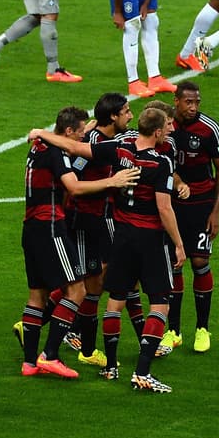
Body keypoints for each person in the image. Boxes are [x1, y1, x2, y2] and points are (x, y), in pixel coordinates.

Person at [19, 107, 139, 379]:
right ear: (69, 132)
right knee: (77, 291)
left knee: (37, 295)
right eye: (81, 131)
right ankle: (49, 355)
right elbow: (73, 187)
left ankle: (29, 363)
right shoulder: (56, 152)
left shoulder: (38, 146)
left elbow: (69, 141)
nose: (86, 135)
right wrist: (114, 180)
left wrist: (81, 128)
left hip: (30, 228)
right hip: (51, 226)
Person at [64, 92, 136, 368]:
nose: (130, 115)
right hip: (86, 221)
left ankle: (72, 333)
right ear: (113, 117)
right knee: (89, 282)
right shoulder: (93, 145)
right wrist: (111, 183)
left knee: (97, 279)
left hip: (101, 219)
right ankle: (77, 340)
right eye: (126, 111)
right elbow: (75, 180)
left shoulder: (104, 139)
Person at [162, 79, 219, 353]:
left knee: (200, 261)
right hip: (172, 205)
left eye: (197, 102)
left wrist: (216, 212)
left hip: (201, 204)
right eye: (188, 102)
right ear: (176, 101)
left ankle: (202, 329)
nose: (193, 107)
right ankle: (173, 330)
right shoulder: (164, 126)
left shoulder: (209, 129)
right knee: (175, 263)